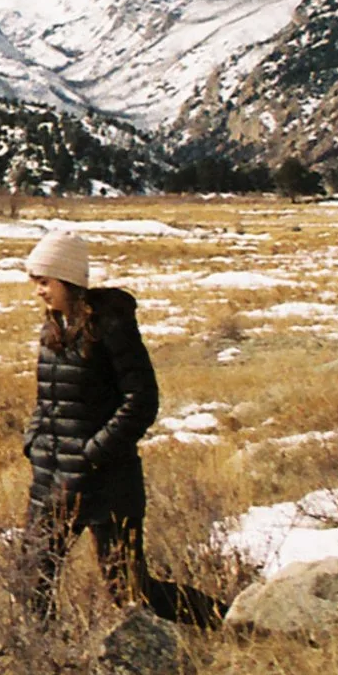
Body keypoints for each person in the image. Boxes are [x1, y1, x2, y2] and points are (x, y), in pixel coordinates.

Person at [17, 228, 223, 627]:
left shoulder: (111, 327)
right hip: (51, 479)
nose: (38, 291)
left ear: (68, 279)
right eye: (35, 282)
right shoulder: (53, 329)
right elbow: (48, 400)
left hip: (107, 482)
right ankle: (45, 657)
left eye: (44, 281)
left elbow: (141, 400)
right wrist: (35, 440)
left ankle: (228, 622)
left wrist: (92, 453)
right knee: (33, 580)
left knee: (129, 590)